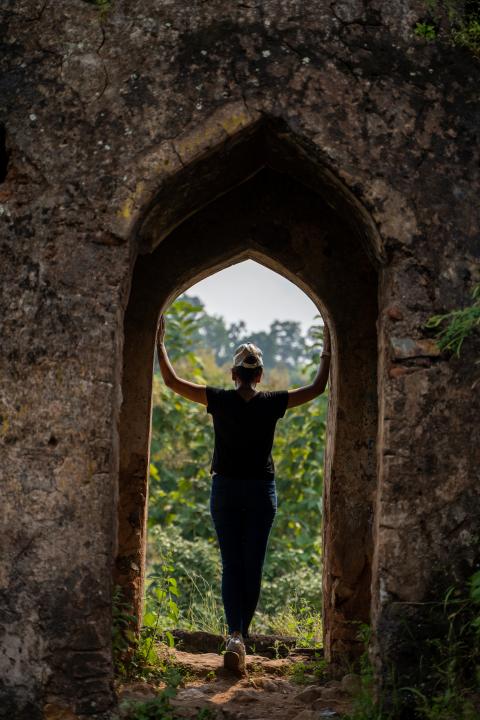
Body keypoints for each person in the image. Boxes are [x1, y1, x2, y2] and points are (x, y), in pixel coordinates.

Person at [156, 315, 331, 674]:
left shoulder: (219, 399)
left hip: (225, 490)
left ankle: (234, 634)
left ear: (234, 374)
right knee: (252, 566)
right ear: (260, 375)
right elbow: (316, 388)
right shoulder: (272, 402)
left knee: (231, 564)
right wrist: (328, 348)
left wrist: (159, 342)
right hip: (261, 492)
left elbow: (172, 382)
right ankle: (241, 637)